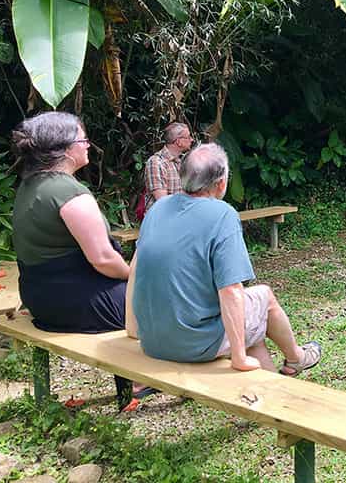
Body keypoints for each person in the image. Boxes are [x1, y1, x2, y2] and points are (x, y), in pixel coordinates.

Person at [127, 143, 321, 376]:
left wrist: (132, 329)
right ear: (221, 183)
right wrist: (238, 358)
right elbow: (231, 291)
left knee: (253, 327)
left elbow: (136, 268)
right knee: (265, 298)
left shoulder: (158, 209)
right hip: (192, 344)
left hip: (153, 339)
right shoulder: (223, 214)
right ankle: (296, 357)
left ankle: (273, 393)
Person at [11, 112, 140, 406]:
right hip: (78, 302)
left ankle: (130, 388)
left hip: (41, 300)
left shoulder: (30, 185)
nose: (88, 146)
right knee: (159, 295)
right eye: (83, 140)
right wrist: (135, 275)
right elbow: (104, 259)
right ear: (65, 148)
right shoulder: (68, 192)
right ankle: (157, 374)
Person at [143, 122, 194, 212]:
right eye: (188, 137)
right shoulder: (156, 162)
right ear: (178, 142)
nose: (192, 139)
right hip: (160, 220)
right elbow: (162, 201)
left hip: (179, 216)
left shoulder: (181, 162)